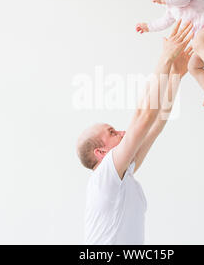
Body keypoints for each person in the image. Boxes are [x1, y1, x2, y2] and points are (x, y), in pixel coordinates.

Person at [77, 20, 193, 244]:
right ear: (101, 152)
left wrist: (176, 75)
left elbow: (156, 122)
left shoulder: (122, 176)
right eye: (112, 132)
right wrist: (165, 58)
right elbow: (143, 116)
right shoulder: (105, 177)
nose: (121, 132)